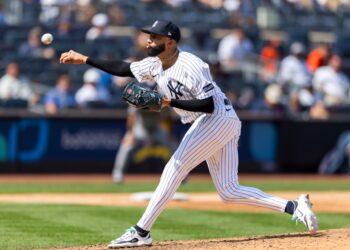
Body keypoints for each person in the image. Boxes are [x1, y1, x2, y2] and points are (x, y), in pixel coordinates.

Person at [60, 20, 318, 249]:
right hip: (220, 122)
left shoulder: (191, 65)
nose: (149, 40)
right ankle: (294, 207)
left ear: (170, 42)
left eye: (155, 37)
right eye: (149, 36)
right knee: (228, 190)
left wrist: (166, 102)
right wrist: (85, 59)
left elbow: (208, 105)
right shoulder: (156, 63)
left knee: (174, 168)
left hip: (216, 118)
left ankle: (141, 232)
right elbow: (124, 69)